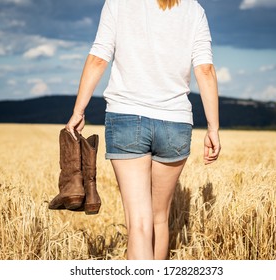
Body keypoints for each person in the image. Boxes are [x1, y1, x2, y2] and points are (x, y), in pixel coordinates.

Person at [65, 0, 221, 260]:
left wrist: (78, 111)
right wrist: (213, 127)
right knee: (160, 219)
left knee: (138, 222)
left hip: (126, 117)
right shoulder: (194, 10)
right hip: (175, 122)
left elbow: (98, 58)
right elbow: (205, 70)